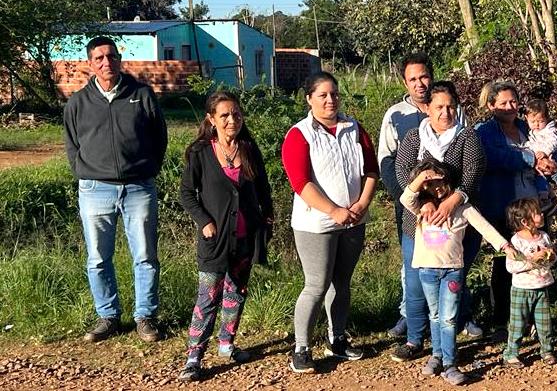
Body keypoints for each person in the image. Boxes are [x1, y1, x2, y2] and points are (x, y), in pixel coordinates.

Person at [63, 35, 168, 343]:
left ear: (119, 58)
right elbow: (72, 145)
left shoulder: (142, 95)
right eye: (99, 58)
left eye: (111, 56)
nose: (106, 62)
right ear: (90, 64)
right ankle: (108, 316)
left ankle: (145, 316)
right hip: (95, 190)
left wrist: (148, 170)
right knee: (97, 257)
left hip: (138, 188)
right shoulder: (78, 103)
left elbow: (159, 138)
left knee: (145, 255)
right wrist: (84, 172)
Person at [281, 72, 379, 374]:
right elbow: (300, 182)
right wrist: (334, 210)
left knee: (342, 283)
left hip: (353, 220)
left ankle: (337, 339)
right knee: (316, 284)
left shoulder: (354, 128)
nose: (330, 100)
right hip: (316, 225)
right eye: (322, 95)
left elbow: (372, 171)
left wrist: (362, 204)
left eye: (334, 93)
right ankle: (302, 347)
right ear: (309, 98)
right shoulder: (299, 134)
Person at [177, 92, 274, 382]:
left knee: (236, 293)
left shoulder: (248, 148)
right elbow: (186, 193)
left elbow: (263, 187)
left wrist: (267, 218)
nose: (232, 120)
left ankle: (226, 344)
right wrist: (204, 221)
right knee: (207, 298)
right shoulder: (200, 152)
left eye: (236, 114)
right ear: (212, 119)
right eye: (225, 115)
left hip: (245, 238)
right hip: (214, 241)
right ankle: (194, 357)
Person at [401, 158, 519, 385]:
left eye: (439, 180)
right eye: (428, 183)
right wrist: (423, 177)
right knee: (435, 315)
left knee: (448, 317)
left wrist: (505, 246)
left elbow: (484, 226)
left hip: (452, 271)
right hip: (427, 270)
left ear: (448, 180)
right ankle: (436, 356)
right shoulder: (421, 208)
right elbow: (406, 196)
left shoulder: (462, 208)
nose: (435, 187)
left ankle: (449, 363)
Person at [393, 81, 485, 363]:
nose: (445, 113)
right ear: (428, 109)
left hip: (456, 226)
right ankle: (415, 339)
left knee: (452, 281)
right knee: (416, 282)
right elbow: (402, 172)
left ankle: (446, 342)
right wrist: (425, 202)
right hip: (420, 225)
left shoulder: (467, 136)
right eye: (439, 107)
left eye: (450, 107)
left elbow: (474, 171)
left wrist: (452, 200)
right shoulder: (414, 138)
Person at [378, 53, 466, 340]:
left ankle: (458, 316)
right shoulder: (395, 115)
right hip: (414, 206)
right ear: (404, 81)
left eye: (424, 76)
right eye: (413, 78)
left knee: (452, 261)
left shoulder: (452, 107)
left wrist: (453, 196)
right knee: (413, 267)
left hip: (452, 207)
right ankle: (411, 321)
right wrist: (413, 199)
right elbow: (388, 163)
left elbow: (468, 158)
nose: (419, 83)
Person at [477, 81, 557, 329]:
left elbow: (552, 155)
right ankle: (503, 320)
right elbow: (492, 158)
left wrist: (553, 169)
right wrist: (529, 158)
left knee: (538, 257)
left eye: (513, 102)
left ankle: (536, 320)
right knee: (508, 263)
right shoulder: (484, 132)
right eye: (502, 103)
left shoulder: (529, 127)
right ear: (491, 105)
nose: (509, 107)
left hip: (533, 207)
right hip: (504, 206)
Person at [503, 198, 557, 368]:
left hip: (542, 287)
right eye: (538, 213)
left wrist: (552, 257)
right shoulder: (516, 242)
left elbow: (551, 260)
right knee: (518, 323)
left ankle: (547, 350)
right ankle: (511, 354)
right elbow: (511, 266)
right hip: (522, 288)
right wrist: (533, 260)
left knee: (544, 322)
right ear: (525, 221)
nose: (542, 215)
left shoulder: (544, 236)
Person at [524, 99, 557, 217]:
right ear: (526, 118)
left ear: (546, 118)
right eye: (533, 121)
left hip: (549, 156)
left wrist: (545, 152)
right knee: (539, 178)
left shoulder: (550, 130)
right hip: (536, 159)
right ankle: (552, 199)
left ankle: (544, 200)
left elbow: (553, 142)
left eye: (540, 121)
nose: (536, 124)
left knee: (541, 178)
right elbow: (530, 144)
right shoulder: (530, 131)